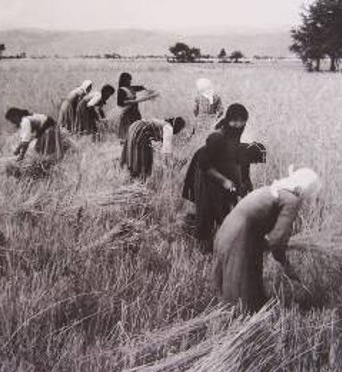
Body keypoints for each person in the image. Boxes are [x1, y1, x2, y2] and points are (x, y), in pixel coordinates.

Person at [212, 166, 322, 313]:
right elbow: (277, 241)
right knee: (241, 295)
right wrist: (286, 265)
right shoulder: (292, 200)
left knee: (236, 283)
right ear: (305, 189)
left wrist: (264, 244)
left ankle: (226, 314)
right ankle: (240, 323)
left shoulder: (272, 189)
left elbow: (259, 223)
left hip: (226, 230)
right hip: (240, 236)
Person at [182, 104, 266, 250]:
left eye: (242, 121)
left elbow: (243, 170)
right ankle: (203, 246)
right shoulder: (217, 137)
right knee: (207, 206)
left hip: (223, 167)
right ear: (228, 120)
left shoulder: (241, 141)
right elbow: (204, 164)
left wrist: (247, 191)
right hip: (207, 170)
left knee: (227, 205)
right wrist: (224, 181)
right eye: (236, 121)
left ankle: (225, 240)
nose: (239, 124)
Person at [121, 117, 186, 181]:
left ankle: (132, 178)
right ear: (178, 127)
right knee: (144, 161)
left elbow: (158, 146)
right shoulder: (168, 128)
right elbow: (166, 152)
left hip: (134, 127)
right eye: (180, 129)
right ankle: (138, 180)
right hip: (141, 131)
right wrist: (173, 165)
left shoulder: (163, 123)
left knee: (135, 155)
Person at [117, 72, 157, 142]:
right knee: (126, 134)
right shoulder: (121, 90)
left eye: (130, 79)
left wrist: (149, 91)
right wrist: (134, 101)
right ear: (123, 80)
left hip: (135, 113)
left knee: (138, 131)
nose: (130, 81)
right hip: (127, 115)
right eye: (128, 80)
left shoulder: (131, 88)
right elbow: (120, 103)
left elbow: (142, 87)